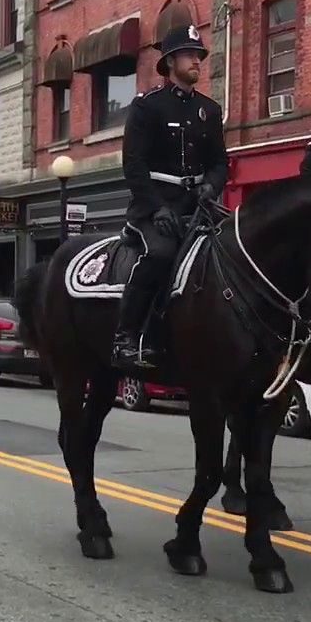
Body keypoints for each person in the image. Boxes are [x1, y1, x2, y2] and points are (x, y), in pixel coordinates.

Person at [112, 24, 227, 368]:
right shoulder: (147, 107)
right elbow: (134, 165)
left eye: (200, 56)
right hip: (155, 207)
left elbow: (219, 161)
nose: (197, 61)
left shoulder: (209, 109)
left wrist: (210, 186)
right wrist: (157, 207)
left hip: (197, 206)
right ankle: (126, 336)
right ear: (171, 61)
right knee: (161, 255)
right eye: (191, 55)